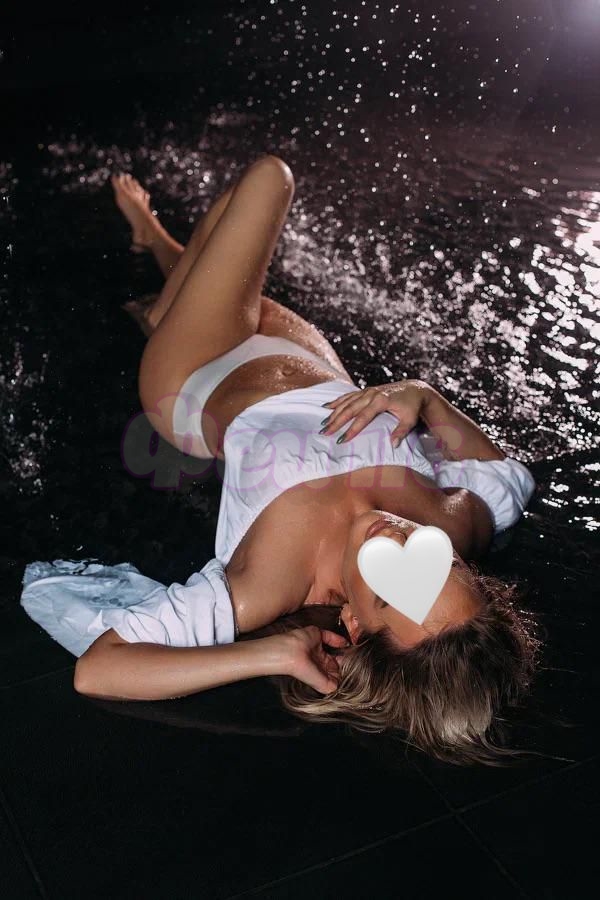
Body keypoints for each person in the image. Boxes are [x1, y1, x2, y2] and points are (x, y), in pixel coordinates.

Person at [21, 155, 539, 764]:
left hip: (196, 372)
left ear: (353, 624)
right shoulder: (459, 522)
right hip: (305, 354)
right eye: (437, 561)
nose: (398, 538)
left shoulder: (272, 579)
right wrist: (426, 399)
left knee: (270, 179)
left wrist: (268, 653)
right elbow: (505, 475)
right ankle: (155, 246)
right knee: (215, 266)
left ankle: (158, 267)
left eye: (388, 591)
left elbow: (99, 670)